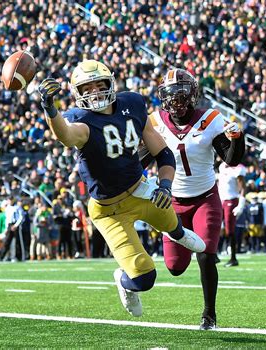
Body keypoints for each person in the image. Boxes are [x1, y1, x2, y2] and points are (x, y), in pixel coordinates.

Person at [38, 60, 205, 317]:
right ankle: (123, 281)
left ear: (110, 83)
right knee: (144, 278)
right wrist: (51, 110)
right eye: (87, 88)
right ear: (78, 93)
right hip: (109, 210)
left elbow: (163, 153)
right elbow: (67, 136)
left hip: (140, 189)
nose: (95, 92)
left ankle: (179, 233)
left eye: (99, 84)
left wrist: (165, 186)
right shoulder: (79, 120)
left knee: (172, 223)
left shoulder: (133, 104)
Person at [141, 68, 245, 329]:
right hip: (172, 201)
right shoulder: (154, 122)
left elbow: (232, 159)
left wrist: (238, 139)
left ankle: (209, 314)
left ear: (192, 94)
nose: (175, 101)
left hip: (205, 198)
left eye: (180, 94)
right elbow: (141, 160)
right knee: (175, 267)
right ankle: (180, 243)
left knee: (207, 253)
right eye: (170, 95)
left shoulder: (210, 118)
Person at [218, 162, 247, 266]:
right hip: (220, 200)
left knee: (230, 230)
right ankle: (214, 254)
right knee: (214, 226)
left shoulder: (238, 168)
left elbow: (243, 187)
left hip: (231, 200)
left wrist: (241, 204)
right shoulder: (222, 166)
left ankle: (233, 257)